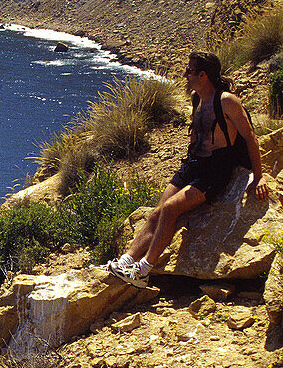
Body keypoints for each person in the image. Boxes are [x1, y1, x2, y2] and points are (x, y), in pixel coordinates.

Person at [107, 51, 269, 288]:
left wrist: (258, 176)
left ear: (203, 75)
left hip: (216, 170)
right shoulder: (196, 98)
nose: (185, 74)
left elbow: (251, 137)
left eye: (190, 70)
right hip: (193, 164)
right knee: (158, 211)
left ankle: (143, 271)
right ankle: (125, 261)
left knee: (171, 209)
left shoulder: (226, 102)